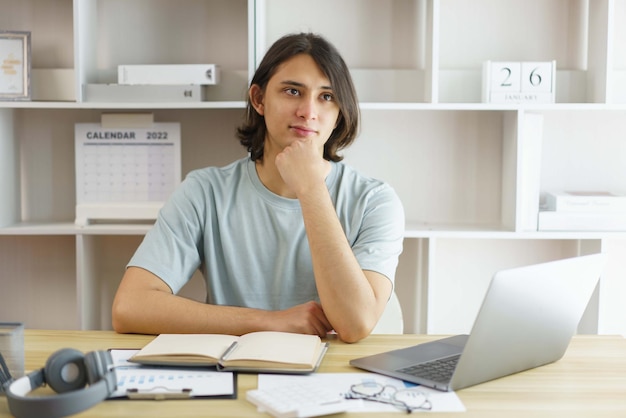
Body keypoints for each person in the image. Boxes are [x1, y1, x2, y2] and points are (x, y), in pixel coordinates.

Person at [111, 33, 405, 343]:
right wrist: (268, 322)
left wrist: (311, 189)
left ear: (339, 113)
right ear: (259, 99)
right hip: (232, 371)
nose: (308, 111)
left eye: (327, 96)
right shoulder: (205, 191)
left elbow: (355, 323)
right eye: (293, 91)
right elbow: (130, 306)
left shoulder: (375, 200)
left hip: (331, 376)